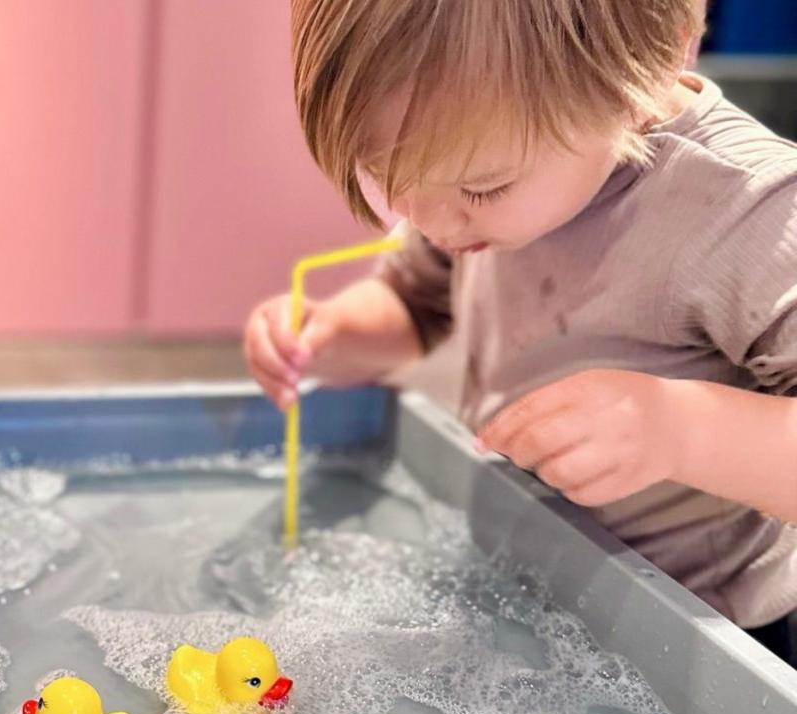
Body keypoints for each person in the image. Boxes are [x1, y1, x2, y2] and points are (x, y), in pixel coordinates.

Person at [247, 0, 797, 664]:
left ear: (654, 67)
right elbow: (416, 304)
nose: (435, 224)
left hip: (705, 642)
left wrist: (678, 429)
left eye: (483, 189)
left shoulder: (747, 211)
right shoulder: (468, 178)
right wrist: (333, 334)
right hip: (534, 586)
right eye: (394, 180)